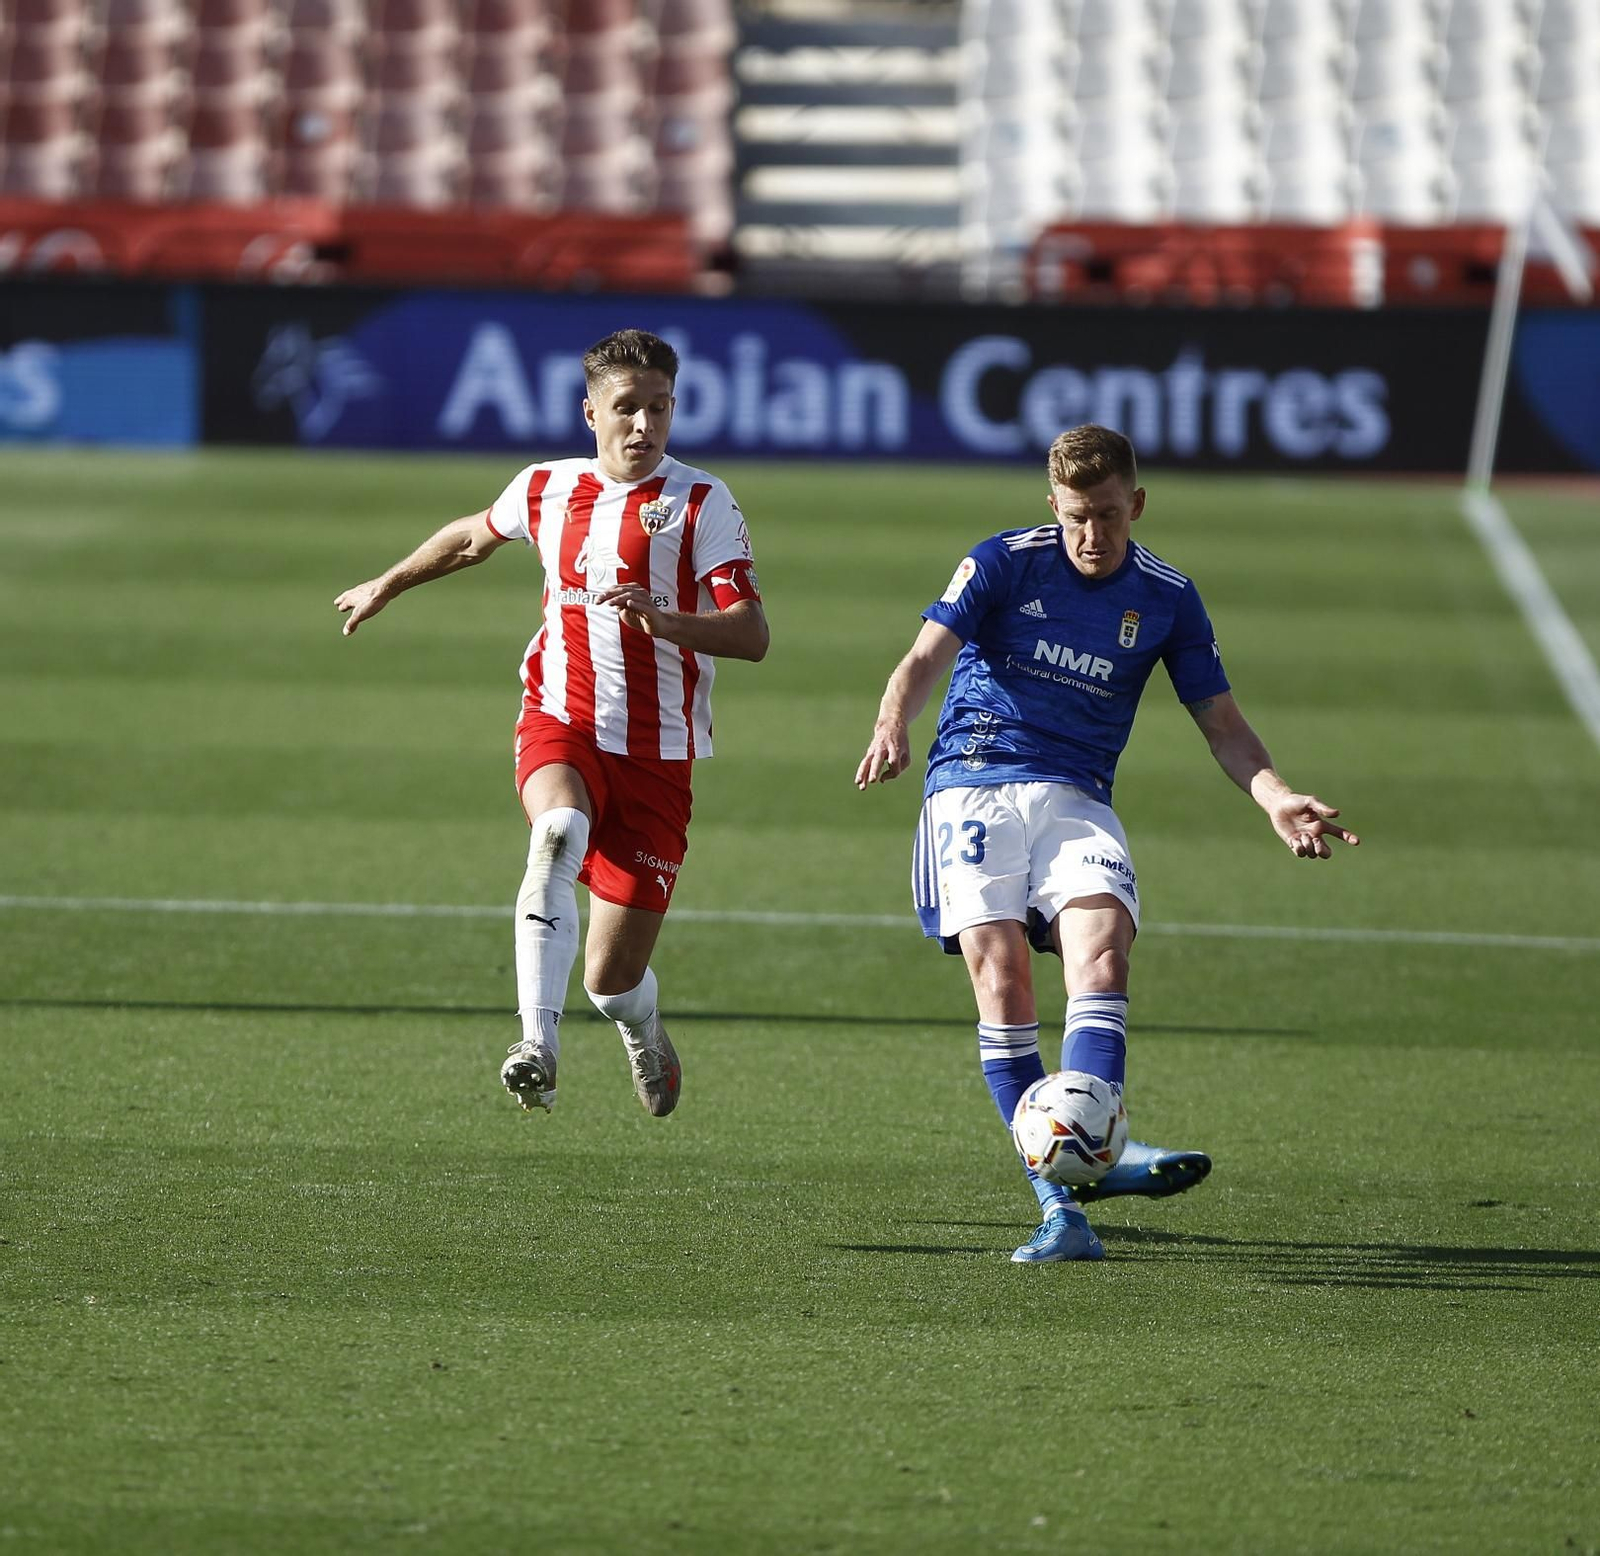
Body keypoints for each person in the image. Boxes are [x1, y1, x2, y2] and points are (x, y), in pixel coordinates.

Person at [855, 424, 1357, 1264]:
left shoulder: (1167, 596)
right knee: (1004, 976)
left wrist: (1274, 798)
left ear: (1139, 504)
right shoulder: (1005, 560)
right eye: (1078, 517)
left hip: (1078, 797)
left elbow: (1224, 726)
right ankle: (1063, 1207)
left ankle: (1098, 1144)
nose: (1093, 536)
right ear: (1053, 504)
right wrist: (891, 725)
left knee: (1104, 955)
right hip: (972, 781)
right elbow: (922, 657)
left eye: (1110, 517)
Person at [335, 329, 769, 1118]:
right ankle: (536, 1044)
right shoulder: (546, 487)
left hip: (656, 754)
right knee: (557, 830)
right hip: (559, 717)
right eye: (626, 408)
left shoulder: (702, 501)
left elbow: (752, 634)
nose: (643, 426)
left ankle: (641, 1025)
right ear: (590, 412)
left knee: (611, 981)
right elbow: (472, 537)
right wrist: (389, 583)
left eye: (659, 409)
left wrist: (666, 622)